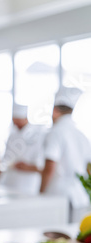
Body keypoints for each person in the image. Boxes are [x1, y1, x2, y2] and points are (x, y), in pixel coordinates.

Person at [40, 87, 91, 221]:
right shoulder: (81, 135)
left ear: (55, 111)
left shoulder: (56, 132)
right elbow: (88, 168)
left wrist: (40, 193)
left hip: (58, 195)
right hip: (81, 196)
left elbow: (50, 167)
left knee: (55, 235)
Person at [0, 103, 47, 195]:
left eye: (18, 121)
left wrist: (28, 167)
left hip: (28, 185)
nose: (15, 124)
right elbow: (5, 160)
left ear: (25, 119)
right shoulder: (12, 136)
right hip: (10, 182)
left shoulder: (39, 135)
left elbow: (43, 167)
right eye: (14, 121)